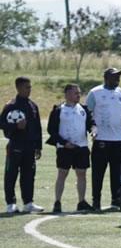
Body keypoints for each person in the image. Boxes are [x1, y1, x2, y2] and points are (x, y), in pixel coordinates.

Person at [45, 82, 93, 213]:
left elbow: (91, 124)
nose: (78, 95)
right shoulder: (58, 109)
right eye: (75, 92)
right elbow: (52, 130)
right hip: (64, 148)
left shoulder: (84, 109)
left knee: (82, 174)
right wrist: (64, 142)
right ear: (67, 94)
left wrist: (94, 130)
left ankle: (81, 201)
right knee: (62, 173)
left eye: (79, 93)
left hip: (81, 147)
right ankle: (57, 202)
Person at [85, 67, 121, 211]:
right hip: (102, 139)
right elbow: (88, 112)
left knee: (116, 172)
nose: (117, 79)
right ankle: (96, 200)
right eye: (114, 77)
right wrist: (92, 128)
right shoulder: (95, 92)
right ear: (106, 78)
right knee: (98, 172)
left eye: (118, 77)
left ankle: (116, 200)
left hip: (119, 139)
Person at [3, 76, 44, 213]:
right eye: (27, 87)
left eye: (30, 87)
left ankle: (28, 203)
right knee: (11, 175)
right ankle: (11, 204)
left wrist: (38, 146)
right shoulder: (11, 105)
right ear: (19, 88)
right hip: (15, 146)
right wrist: (15, 126)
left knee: (28, 175)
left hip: (30, 147)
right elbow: (2, 123)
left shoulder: (33, 106)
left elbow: (37, 127)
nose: (29, 89)